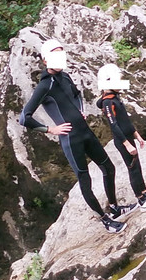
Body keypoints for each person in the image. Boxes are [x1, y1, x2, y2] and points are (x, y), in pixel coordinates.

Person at [19, 38, 132, 234]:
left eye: (61, 52)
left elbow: (77, 94)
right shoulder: (44, 86)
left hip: (85, 131)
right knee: (85, 179)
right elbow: (24, 117)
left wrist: (81, 110)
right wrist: (50, 129)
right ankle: (105, 220)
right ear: (45, 60)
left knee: (108, 167)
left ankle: (114, 207)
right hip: (71, 139)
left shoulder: (65, 77)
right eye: (55, 53)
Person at [96, 64, 146, 212]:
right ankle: (141, 201)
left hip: (130, 137)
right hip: (122, 141)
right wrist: (127, 144)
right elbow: (114, 125)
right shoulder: (107, 102)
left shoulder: (116, 98)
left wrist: (137, 136)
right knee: (133, 169)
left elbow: (125, 121)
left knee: (137, 167)